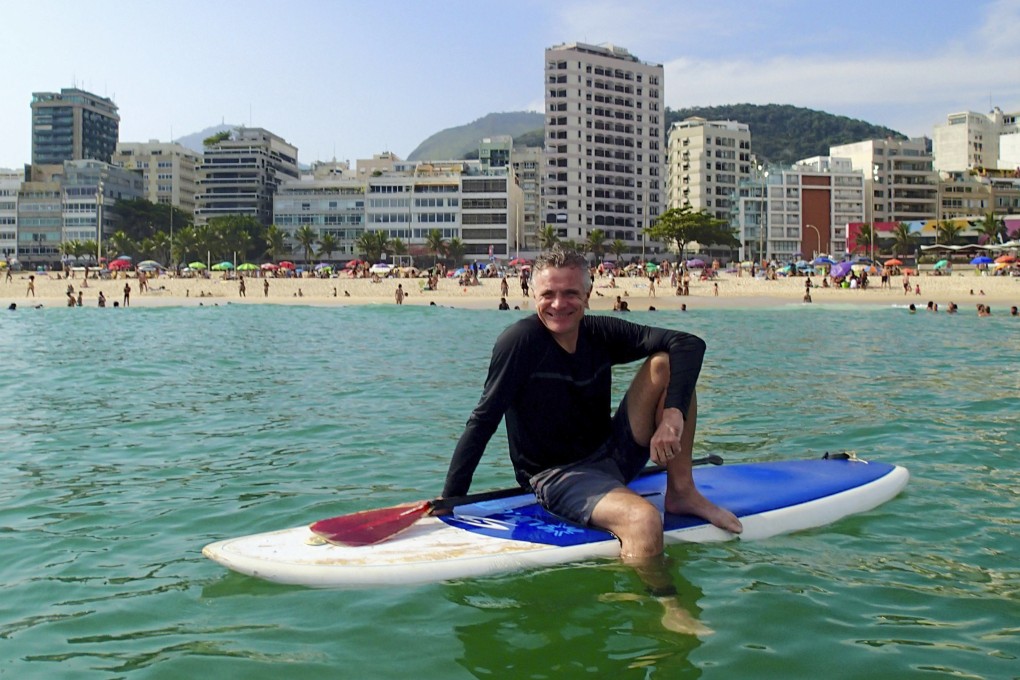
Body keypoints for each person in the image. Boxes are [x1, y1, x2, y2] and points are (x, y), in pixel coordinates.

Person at [440, 247, 740, 629]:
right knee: (644, 521)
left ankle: (681, 491)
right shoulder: (520, 343)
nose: (558, 304)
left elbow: (689, 344)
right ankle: (665, 606)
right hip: (558, 475)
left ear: (588, 292)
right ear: (532, 294)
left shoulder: (599, 333)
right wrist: (450, 502)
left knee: (666, 363)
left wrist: (672, 416)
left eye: (570, 294)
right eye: (548, 294)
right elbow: (482, 421)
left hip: (611, 455)